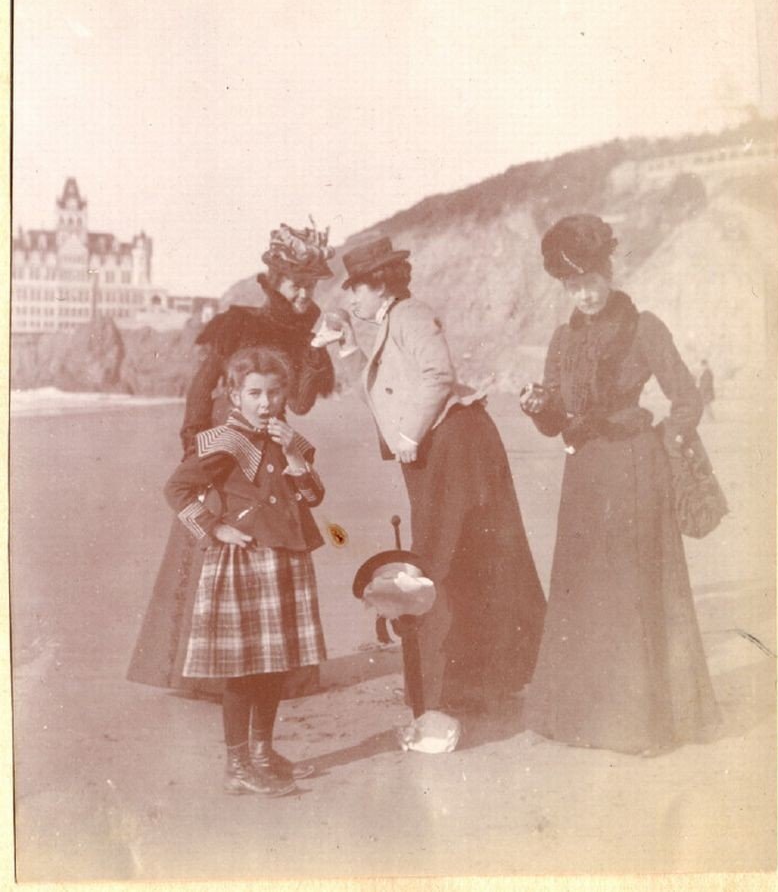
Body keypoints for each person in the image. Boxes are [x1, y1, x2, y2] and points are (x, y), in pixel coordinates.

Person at [520, 214, 720, 755]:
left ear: (608, 271)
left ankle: (640, 725)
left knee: (633, 593)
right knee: (585, 593)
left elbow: (687, 397)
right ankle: (586, 719)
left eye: (590, 280)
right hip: (585, 473)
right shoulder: (563, 339)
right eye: (571, 285)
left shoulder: (643, 326)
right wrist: (538, 408)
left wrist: (667, 441)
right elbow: (558, 419)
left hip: (635, 470)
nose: (583, 294)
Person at [335, 235, 546, 722]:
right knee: (461, 557)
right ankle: (470, 681)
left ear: (380, 287)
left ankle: (465, 683)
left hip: (456, 445)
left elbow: (438, 375)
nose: (350, 299)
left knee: (449, 557)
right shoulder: (393, 321)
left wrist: (410, 433)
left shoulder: (409, 315)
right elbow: (384, 401)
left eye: (355, 289)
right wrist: (347, 351)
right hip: (440, 448)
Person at [127, 222, 335, 711]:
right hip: (224, 436)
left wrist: (319, 349)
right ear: (273, 280)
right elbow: (202, 388)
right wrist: (192, 443)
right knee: (219, 541)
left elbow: (301, 402)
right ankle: (209, 674)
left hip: (269, 439)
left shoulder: (312, 327)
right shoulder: (238, 322)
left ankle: (276, 667)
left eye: (310, 285)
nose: (303, 294)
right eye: (294, 283)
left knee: (272, 546)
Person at [163, 346, 327, 794]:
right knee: (243, 668)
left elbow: (313, 498)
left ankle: (261, 752)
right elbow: (177, 488)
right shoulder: (227, 441)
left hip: (285, 559)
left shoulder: (287, 437)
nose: (265, 402)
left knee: (274, 663)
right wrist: (213, 528)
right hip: (244, 561)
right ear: (234, 395)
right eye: (254, 393)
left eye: (274, 393)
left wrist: (295, 459)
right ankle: (236, 765)